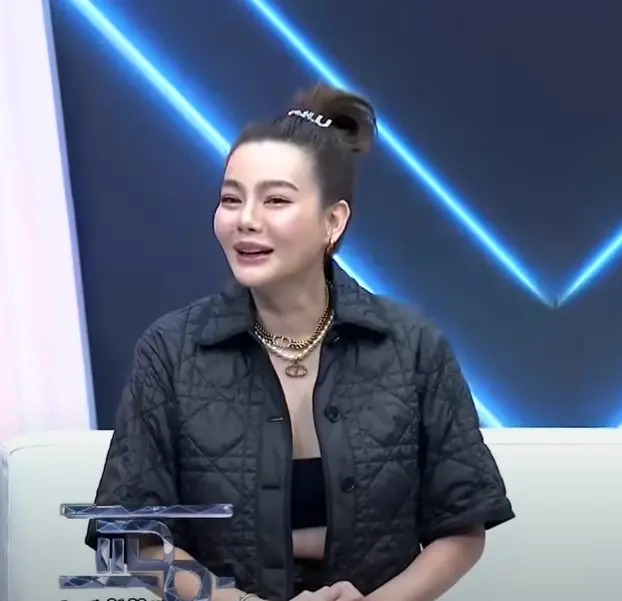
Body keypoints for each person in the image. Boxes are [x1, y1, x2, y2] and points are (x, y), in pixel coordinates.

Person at [87, 84, 515, 601]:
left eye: (276, 200)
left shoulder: (413, 345)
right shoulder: (169, 352)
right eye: (231, 199)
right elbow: (129, 537)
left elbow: (463, 526)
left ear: (333, 221)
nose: (246, 220)